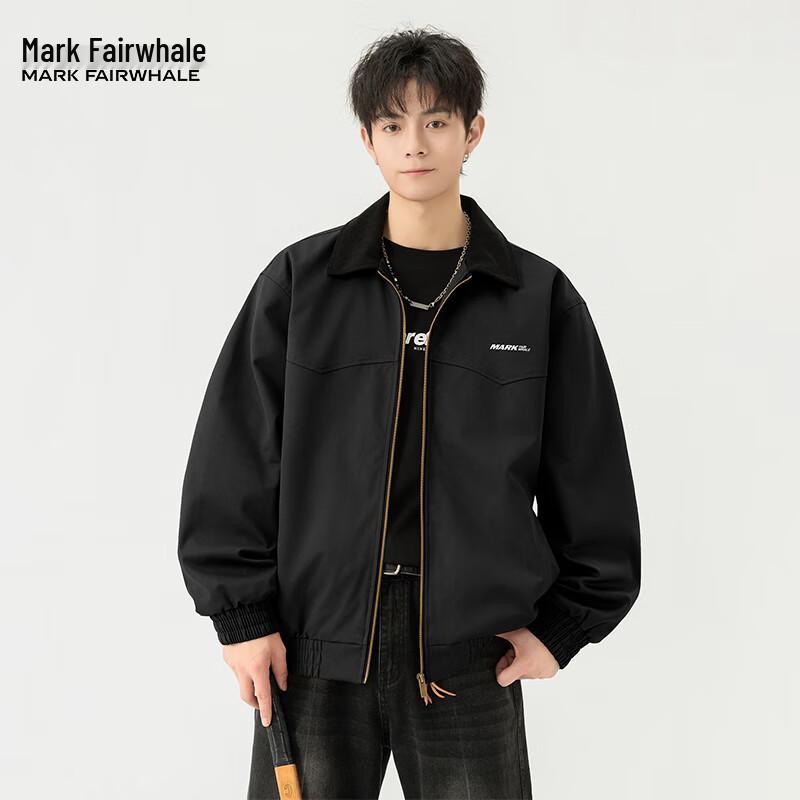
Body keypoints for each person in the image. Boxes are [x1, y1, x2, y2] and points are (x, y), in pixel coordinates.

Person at [177, 26, 641, 800]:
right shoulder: (301, 285)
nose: (415, 144)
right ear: (368, 139)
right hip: (315, 648)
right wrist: (242, 619)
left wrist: (564, 627)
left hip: (470, 656)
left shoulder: (537, 300)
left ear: (472, 132)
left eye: (436, 121)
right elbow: (234, 453)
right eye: (392, 124)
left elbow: (590, 472)